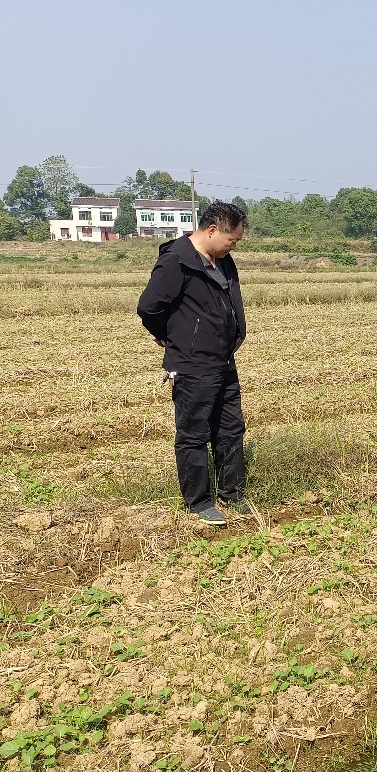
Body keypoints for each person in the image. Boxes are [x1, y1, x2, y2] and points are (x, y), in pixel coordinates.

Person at [137, 201, 249, 527]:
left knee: (230, 429)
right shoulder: (176, 262)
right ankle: (199, 502)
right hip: (192, 364)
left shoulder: (223, 260)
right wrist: (168, 335)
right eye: (232, 240)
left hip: (224, 360)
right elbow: (149, 307)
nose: (234, 245)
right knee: (194, 435)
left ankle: (232, 493)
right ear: (212, 230)